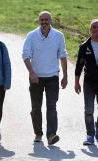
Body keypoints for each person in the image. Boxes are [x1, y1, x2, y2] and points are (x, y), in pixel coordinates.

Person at [22, 11, 68, 145]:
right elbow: (25, 56)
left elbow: (63, 56)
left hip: (53, 76)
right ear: (39, 21)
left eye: (46, 20)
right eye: (41, 20)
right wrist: (32, 73)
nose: (44, 22)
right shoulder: (31, 36)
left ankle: (51, 134)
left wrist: (65, 76)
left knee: (51, 106)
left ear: (51, 21)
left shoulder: (59, 36)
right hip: (36, 77)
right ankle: (38, 133)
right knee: (36, 108)